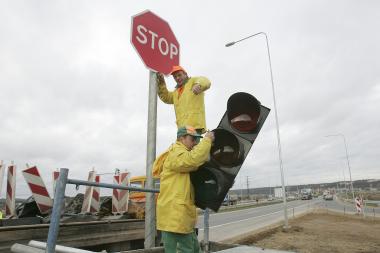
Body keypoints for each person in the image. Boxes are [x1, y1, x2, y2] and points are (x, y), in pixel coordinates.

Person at [156, 126, 215, 253]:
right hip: (175, 218)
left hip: (181, 218)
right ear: (182, 138)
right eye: (192, 139)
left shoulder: (182, 153)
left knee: (193, 249)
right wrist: (207, 141)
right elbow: (192, 160)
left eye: (196, 140)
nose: (195, 143)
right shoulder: (175, 153)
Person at [157, 66, 211, 134]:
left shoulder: (193, 81)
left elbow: (205, 80)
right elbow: (166, 97)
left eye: (179, 75)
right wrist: (161, 82)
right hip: (182, 129)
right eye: (175, 77)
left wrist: (198, 85)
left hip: (194, 126)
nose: (177, 78)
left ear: (185, 74)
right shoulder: (176, 92)